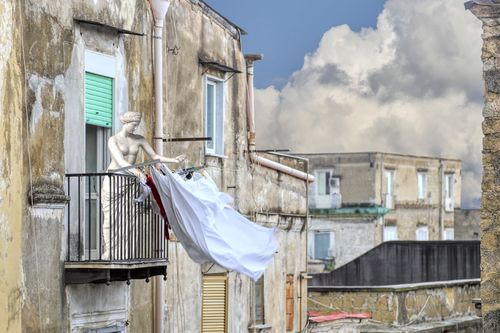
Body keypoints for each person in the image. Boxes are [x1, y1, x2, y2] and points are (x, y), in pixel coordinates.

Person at [101, 111, 185, 260]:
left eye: (137, 125)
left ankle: (124, 253)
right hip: (114, 181)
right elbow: (120, 162)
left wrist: (174, 160)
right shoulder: (113, 140)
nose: (135, 127)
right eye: (134, 124)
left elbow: (154, 157)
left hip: (129, 182)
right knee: (111, 218)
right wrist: (137, 172)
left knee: (128, 219)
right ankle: (109, 251)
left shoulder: (139, 140)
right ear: (126, 123)